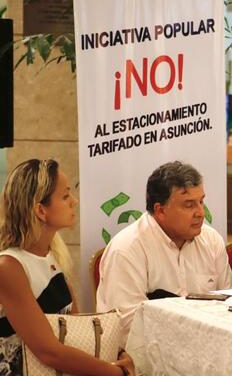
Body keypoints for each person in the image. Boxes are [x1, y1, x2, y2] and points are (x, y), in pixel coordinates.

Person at [0, 159, 134, 376]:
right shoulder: (9, 267)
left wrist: (116, 355)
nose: (75, 201)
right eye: (65, 196)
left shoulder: (52, 256)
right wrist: (116, 372)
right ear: (41, 211)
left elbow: (75, 330)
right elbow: (48, 351)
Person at [96, 161, 232, 342]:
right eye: (189, 205)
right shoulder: (127, 249)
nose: (200, 212)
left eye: (201, 202)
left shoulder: (211, 240)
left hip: (206, 346)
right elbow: (127, 325)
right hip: (144, 357)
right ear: (160, 210)